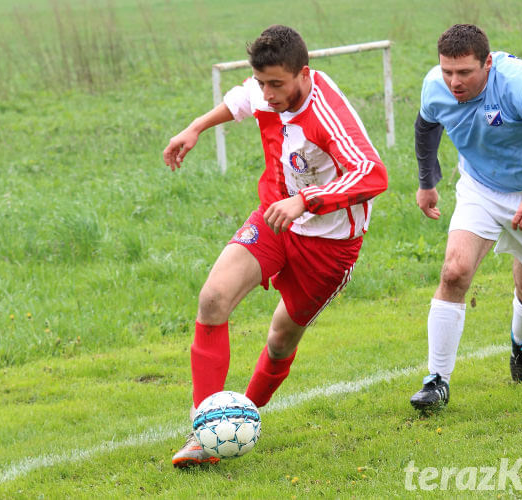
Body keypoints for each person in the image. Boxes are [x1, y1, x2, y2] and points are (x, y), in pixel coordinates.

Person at [164, 25, 388, 467]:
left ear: (303, 75)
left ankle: (242, 416)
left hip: (329, 247)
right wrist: (196, 128)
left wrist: (305, 199)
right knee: (213, 299)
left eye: (276, 85)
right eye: (262, 82)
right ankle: (206, 433)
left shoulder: (327, 115)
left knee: (281, 339)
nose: (267, 94)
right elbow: (240, 99)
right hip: (273, 220)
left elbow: (372, 174)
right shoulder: (267, 87)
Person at [409, 24, 522, 411]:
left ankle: (521, 342)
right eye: (447, 71)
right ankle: (437, 380)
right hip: (480, 188)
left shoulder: (519, 83)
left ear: (487, 63)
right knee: (454, 271)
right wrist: (428, 182)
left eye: (465, 72)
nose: (454, 82)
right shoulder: (434, 85)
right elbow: (426, 126)